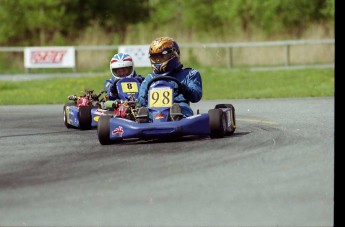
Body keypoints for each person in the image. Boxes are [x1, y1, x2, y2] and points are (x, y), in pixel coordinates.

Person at [136, 36, 202, 122]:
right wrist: (144, 101)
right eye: (155, 57)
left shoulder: (189, 74)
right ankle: (144, 119)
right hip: (153, 109)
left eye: (162, 56)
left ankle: (176, 116)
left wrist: (184, 89)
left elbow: (196, 96)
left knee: (181, 108)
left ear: (173, 54)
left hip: (179, 105)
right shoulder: (150, 78)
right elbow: (141, 100)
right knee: (145, 110)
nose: (158, 59)